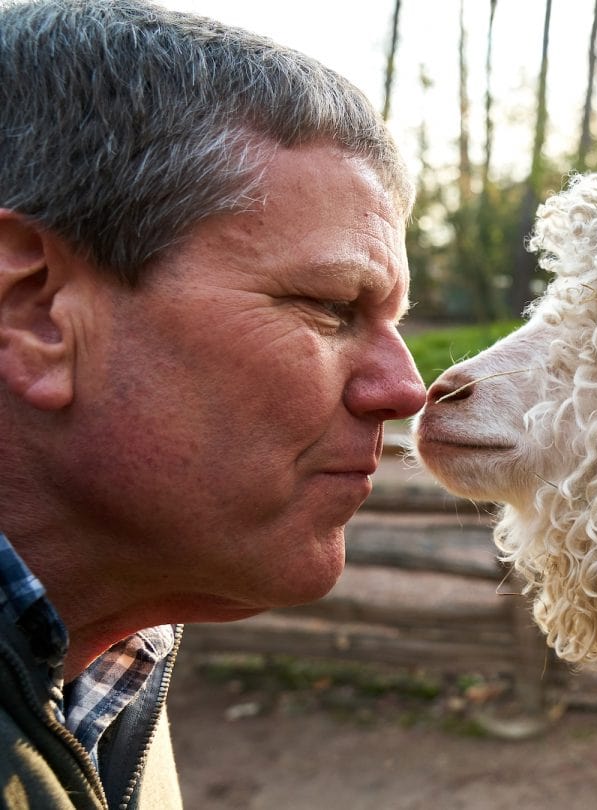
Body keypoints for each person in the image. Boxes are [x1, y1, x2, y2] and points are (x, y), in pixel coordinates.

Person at [0, 1, 426, 806]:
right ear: (37, 309)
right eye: (331, 307)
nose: (404, 390)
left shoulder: (104, 683)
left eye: (392, 323)